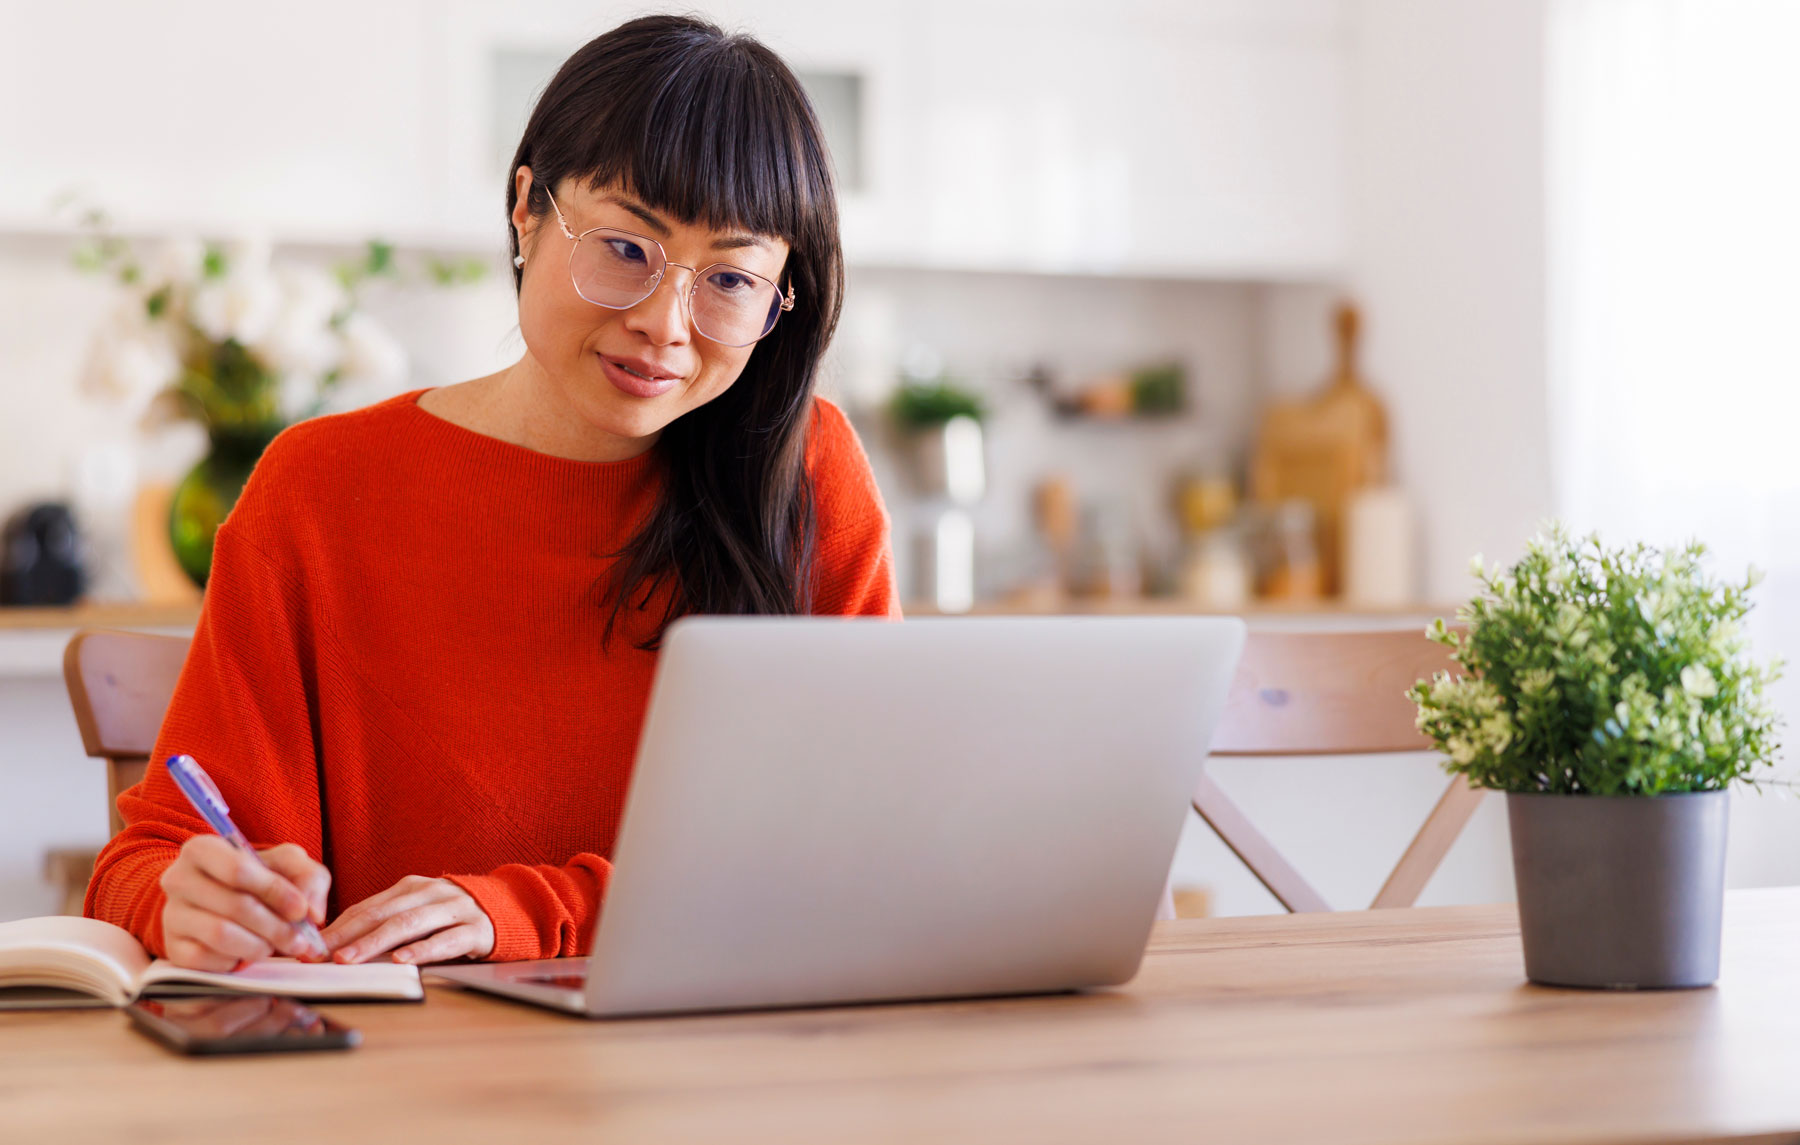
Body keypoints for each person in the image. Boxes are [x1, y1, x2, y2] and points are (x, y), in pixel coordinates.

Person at [85, 14, 899, 971]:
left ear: (781, 297)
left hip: (734, 1080)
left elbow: (858, 847)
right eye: (625, 248)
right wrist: (187, 902)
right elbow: (150, 859)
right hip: (413, 1092)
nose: (664, 326)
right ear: (527, 208)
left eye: (728, 278)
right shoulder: (320, 492)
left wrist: (530, 909)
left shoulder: (803, 474)